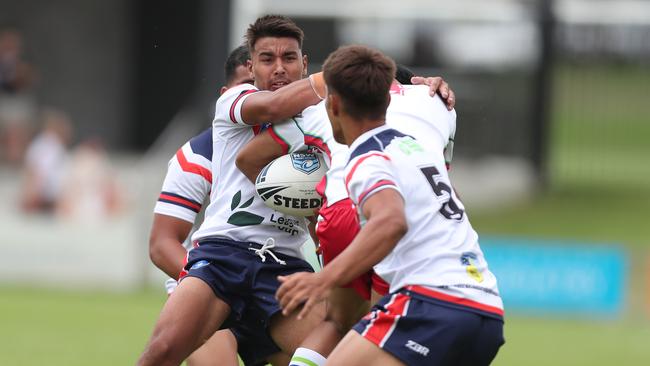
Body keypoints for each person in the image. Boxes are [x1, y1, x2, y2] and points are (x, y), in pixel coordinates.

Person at [276, 45, 504, 366]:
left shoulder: (368, 159)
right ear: (388, 101)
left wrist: (322, 279)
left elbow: (390, 222)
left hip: (432, 305)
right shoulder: (414, 147)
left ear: (333, 104)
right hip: (485, 308)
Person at [138, 15, 331, 366]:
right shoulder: (230, 106)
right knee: (162, 352)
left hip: (282, 267)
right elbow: (161, 242)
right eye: (267, 59)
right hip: (223, 258)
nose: (278, 69)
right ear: (251, 67)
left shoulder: (324, 121)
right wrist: (195, 284)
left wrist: (420, 84)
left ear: (304, 64)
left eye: (289, 59)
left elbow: (380, 92)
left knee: (337, 355)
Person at [235, 65, 457, 366]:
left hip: (337, 211)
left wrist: (312, 213)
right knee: (384, 327)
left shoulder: (322, 108)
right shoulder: (437, 101)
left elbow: (248, 158)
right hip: (392, 214)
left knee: (337, 323)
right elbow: (440, 175)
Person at [148, 45, 276, 366]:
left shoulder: (298, 147)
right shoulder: (195, 156)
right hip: (213, 281)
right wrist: (215, 281)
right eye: (245, 87)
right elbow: (162, 244)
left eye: (261, 90)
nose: (253, 99)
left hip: (273, 279)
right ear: (225, 95)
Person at [20, 108, 72, 213]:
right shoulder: (47, 144)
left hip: (49, 196)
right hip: (45, 197)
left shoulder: (47, 145)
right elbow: (39, 171)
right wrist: (33, 194)